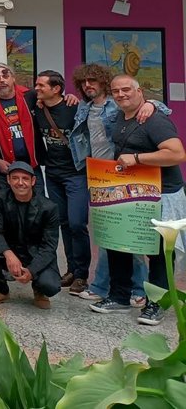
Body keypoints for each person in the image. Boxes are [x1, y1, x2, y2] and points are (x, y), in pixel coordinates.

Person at [90, 75, 186, 326]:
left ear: (139, 91)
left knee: (159, 251)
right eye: (116, 91)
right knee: (119, 242)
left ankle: (157, 303)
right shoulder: (120, 116)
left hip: (162, 194)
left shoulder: (155, 120)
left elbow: (177, 153)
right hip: (130, 191)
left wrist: (138, 159)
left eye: (126, 90)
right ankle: (119, 297)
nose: (121, 95)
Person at [70, 63, 162, 306]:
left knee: (128, 235)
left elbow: (159, 108)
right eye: (83, 82)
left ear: (103, 82)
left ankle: (136, 289)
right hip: (98, 175)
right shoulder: (84, 107)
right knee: (107, 234)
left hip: (122, 174)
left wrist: (152, 104)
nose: (88, 85)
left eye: (93, 80)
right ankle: (107, 286)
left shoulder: (117, 105)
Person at [30, 70, 89, 294]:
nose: (37, 88)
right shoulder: (38, 107)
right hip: (53, 173)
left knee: (77, 223)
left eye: (41, 85)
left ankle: (82, 274)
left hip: (76, 173)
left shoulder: (75, 107)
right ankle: (72, 270)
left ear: (56, 89)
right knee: (63, 222)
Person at [0, 161, 62, 310]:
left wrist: (31, 271)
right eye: (15, 178)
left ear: (33, 181)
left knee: (51, 286)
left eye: (25, 179)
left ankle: (39, 291)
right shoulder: (0, 198)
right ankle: (1, 290)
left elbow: (49, 246)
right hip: (11, 249)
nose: (20, 183)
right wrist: (8, 254)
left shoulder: (49, 208)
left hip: (36, 253)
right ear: (8, 180)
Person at [0, 63, 38, 190]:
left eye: (5, 76)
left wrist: (69, 97)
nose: (1, 80)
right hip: (2, 168)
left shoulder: (30, 96)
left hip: (32, 165)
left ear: (13, 78)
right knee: (5, 201)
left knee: (37, 200)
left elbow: (53, 101)